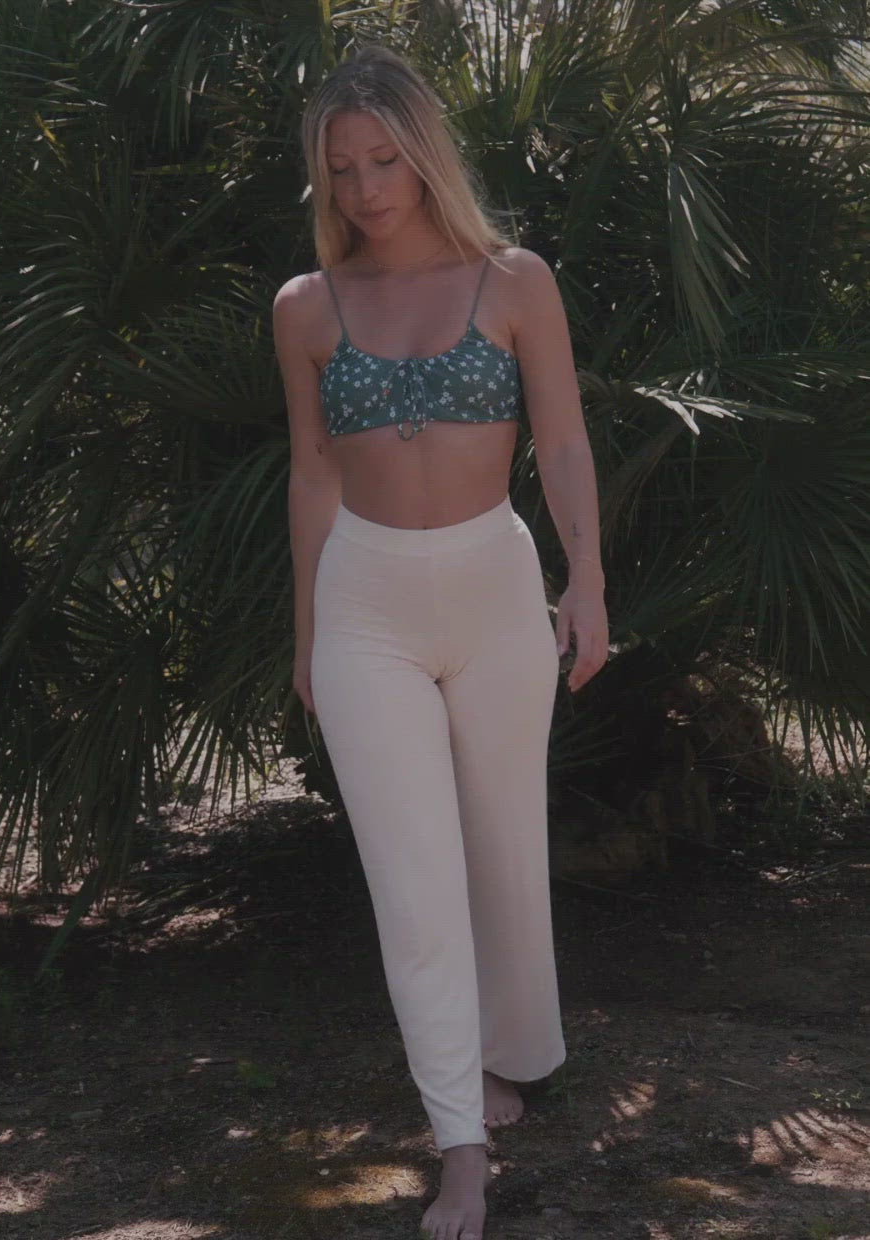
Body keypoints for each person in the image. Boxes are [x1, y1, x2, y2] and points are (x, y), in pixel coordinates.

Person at [272, 43, 608, 1240]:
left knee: (503, 846)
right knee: (411, 878)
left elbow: (561, 441)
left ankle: (514, 1050)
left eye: (384, 159)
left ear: (424, 154)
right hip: (365, 601)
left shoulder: (513, 281)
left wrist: (587, 582)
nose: (366, 188)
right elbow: (314, 475)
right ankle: (460, 1143)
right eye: (342, 168)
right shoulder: (306, 307)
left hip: (494, 586)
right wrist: (310, 636)